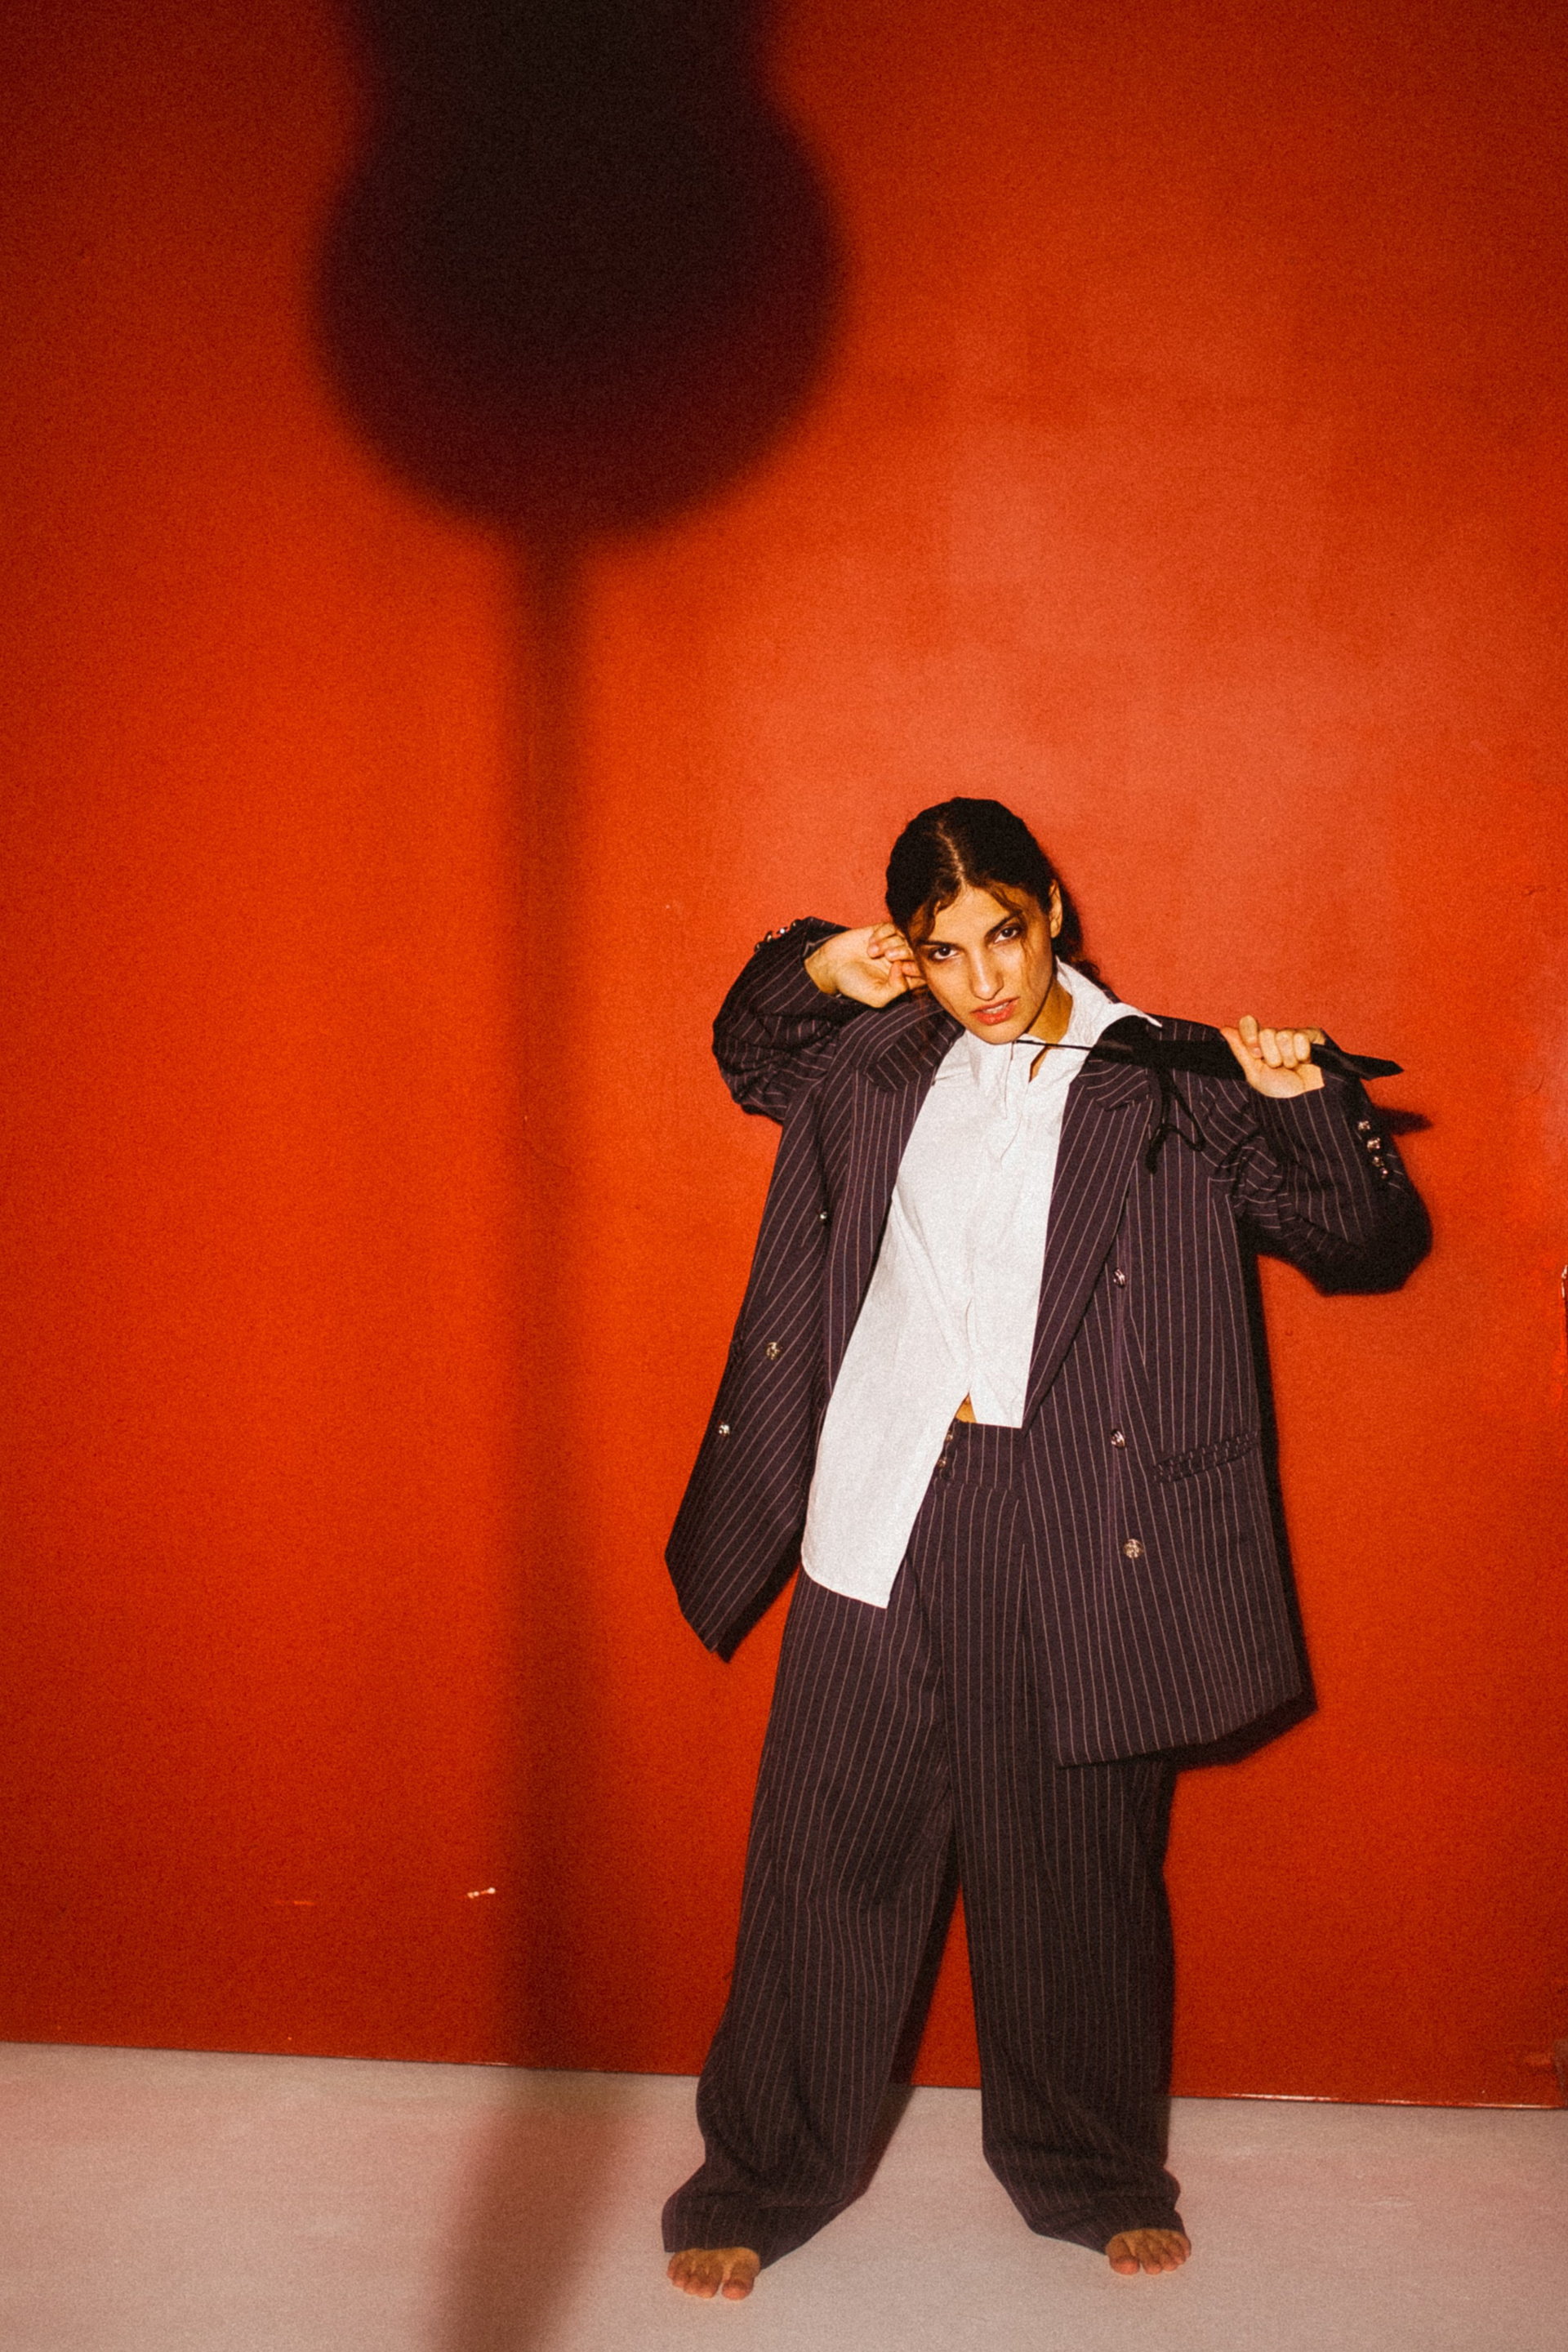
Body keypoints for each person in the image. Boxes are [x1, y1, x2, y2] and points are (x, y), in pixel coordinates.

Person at [661, 798, 1428, 2300]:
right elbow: (753, 1049)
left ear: (1052, 910)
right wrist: (824, 965)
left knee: (1073, 1866)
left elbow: (1364, 1243)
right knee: (825, 1853)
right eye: (944, 951)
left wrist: (1297, 1103)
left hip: (1080, 1513)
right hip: (882, 1494)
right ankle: (762, 2172)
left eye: (1002, 934)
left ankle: (1089, 2168)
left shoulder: (1167, 1081)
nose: (984, 980)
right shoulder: (881, 1057)